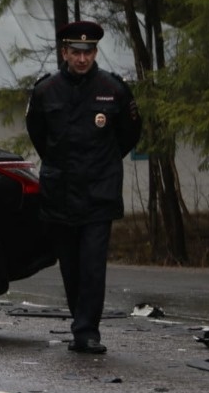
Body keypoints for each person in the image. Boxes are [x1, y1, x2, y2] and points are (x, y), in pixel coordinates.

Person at [26, 21, 142, 354]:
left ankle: (87, 331)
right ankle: (80, 321)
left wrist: (103, 164)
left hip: (98, 192)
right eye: (76, 52)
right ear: (64, 52)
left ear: (95, 52)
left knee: (92, 264)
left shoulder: (113, 89)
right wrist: (59, 163)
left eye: (88, 52)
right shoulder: (46, 91)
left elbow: (129, 133)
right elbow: (38, 134)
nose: (82, 58)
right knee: (71, 265)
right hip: (60, 191)